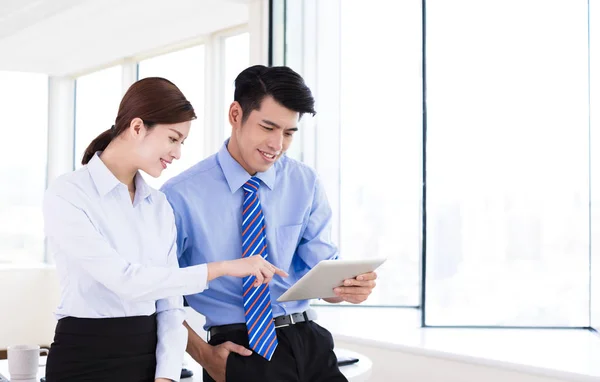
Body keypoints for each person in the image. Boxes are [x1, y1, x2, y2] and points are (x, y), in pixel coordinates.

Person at [43, 77, 286, 382]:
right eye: (173, 139)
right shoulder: (69, 193)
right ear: (136, 128)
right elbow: (125, 280)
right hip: (84, 359)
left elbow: (170, 306)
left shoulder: (158, 205)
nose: (178, 152)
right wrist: (222, 268)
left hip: (149, 358)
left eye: (182, 142)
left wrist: (166, 376)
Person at [161, 66, 377, 382]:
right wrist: (205, 357)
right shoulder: (178, 196)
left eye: (289, 133)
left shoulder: (305, 182)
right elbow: (156, 295)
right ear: (235, 114)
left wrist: (348, 289)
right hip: (240, 349)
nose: (277, 144)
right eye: (268, 127)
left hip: (309, 341)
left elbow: (322, 275)